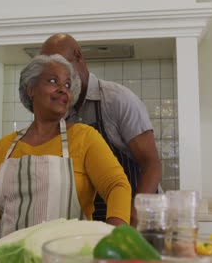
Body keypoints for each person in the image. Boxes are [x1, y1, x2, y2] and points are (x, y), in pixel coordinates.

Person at [0, 54, 131, 247]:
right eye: (53, 81)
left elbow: (117, 186)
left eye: (68, 85)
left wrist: (116, 241)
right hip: (13, 257)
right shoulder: (4, 146)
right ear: (31, 88)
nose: (62, 89)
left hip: (69, 257)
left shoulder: (85, 137)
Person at [41, 33, 162, 226]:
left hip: (133, 217)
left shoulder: (117, 100)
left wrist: (133, 213)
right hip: (90, 221)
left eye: (63, 68)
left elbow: (152, 163)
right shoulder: (58, 112)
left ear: (79, 56)